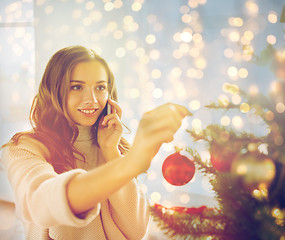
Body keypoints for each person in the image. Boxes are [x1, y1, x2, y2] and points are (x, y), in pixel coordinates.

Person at [0, 45, 191, 239]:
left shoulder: (113, 146)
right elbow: (40, 204)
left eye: (100, 87)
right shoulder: (23, 149)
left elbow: (136, 230)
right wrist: (130, 164)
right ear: (53, 91)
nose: (92, 100)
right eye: (76, 87)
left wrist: (111, 151)